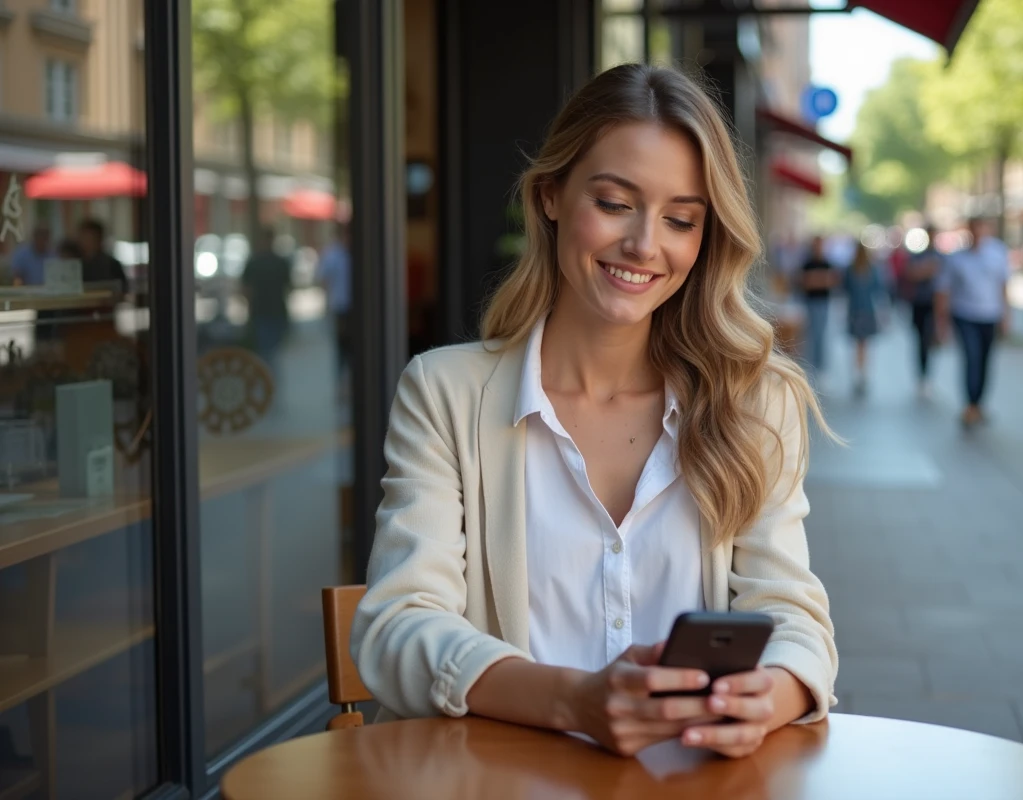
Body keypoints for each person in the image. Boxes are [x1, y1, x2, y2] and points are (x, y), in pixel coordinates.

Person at [352, 64, 837, 760]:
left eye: (680, 219)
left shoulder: (754, 402)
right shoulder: (444, 392)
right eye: (614, 203)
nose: (645, 244)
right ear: (550, 195)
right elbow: (395, 625)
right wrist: (573, 700)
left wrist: (774, 691)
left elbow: (793, 615)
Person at [935, 217, 1010, 428]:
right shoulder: (956, 258)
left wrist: (1006, 316)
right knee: (971, 358)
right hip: (965, 315)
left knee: (985, 361)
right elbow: (943, 289)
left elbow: (1003, 286)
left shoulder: (997, 253)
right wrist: (941, 322)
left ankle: (979, 403)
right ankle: (969, 405)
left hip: (990, 316)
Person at [240, 226, 293, 372]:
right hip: (275, 312)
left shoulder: (254, 262)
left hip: (262, 312)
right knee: (272, 354)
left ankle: (267, 383)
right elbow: (289, 288)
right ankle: (269, 383)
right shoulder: (280, 262)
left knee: (266, 354)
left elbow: (245, 290)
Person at [904, 226, 943, 397]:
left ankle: (927, 375)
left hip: (935, 304)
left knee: (932, 340)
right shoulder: (917, 255)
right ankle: (922, 376)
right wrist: (927, 270)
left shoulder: (941, 257)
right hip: (920, 304)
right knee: (921, 341)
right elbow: (912, 273)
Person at [843, 242, 885, 397]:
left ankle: (859, 374)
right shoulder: (872, 270)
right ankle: (863, 374)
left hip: (855, 310)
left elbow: (845, 289)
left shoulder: (851, 269)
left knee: (858, 345)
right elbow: (879, 291)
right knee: (864, 345)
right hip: (867, 310)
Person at [796, 235, 839, 377]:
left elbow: (832, 281)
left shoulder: (827, 263)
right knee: (811, 335)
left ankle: (820, 368)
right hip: (810, 302)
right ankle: (811, 366)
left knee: (821, 335)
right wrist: (821, 279)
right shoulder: (807, 263)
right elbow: (805, 282)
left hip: (823, 302)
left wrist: (816, 279)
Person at [316, 223, 352, 381]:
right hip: (341, 308)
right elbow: (323, 281)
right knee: (342, 349)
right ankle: (342, 385)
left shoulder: (354, 253)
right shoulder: (333, 254)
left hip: (354, 309)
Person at [77, 218, 129, 296]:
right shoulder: (76, 265)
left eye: (90, 238)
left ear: (100, 238)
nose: (87, 242)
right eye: (84, 238)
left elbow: (123, 289)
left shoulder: (112, 264)